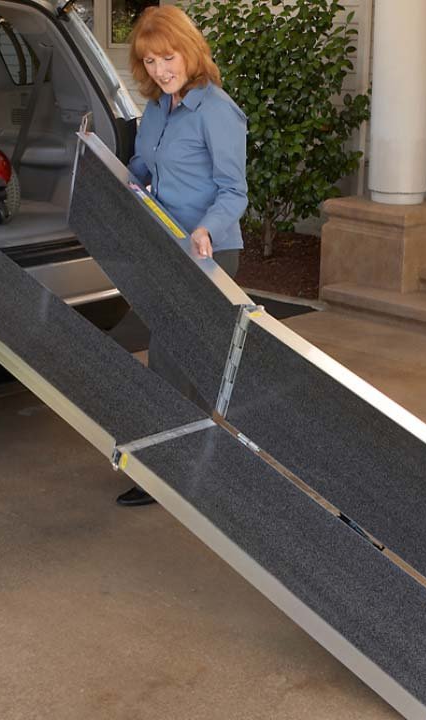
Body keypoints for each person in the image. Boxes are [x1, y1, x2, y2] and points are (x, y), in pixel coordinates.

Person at [114, 6, 248, 507]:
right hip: (164, 246)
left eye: (167, 57)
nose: (160, 70)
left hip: (209, 252)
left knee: (176, 362)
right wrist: (129, 180)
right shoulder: (156, 110)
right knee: (173, 358)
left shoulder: (217, 110)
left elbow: (235, 191)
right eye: (149, 62)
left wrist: (205, 229)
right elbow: (144, 163)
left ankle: (167, 472)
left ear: (189, 52)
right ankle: (181, 463)